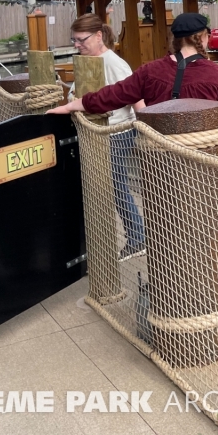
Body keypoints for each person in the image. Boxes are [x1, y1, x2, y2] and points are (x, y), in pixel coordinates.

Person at [49, 12, 218, 125]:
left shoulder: (150, 71)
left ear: (175, 39)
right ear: (204, 37)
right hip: (203, 163)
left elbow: (111, 95)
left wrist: (70, 106)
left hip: (158, 165)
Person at [66, 14, 147, 261]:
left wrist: (147, 130)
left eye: (81, 40)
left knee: (115, 186)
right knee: (100, 187)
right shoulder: (85, 62)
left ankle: (137, 237)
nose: (77, 45)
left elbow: (136, 100)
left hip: (115, 133)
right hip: (92, 132)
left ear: (99, 36)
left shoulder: (114, 64)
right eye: (74, 41)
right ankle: (100, 238)